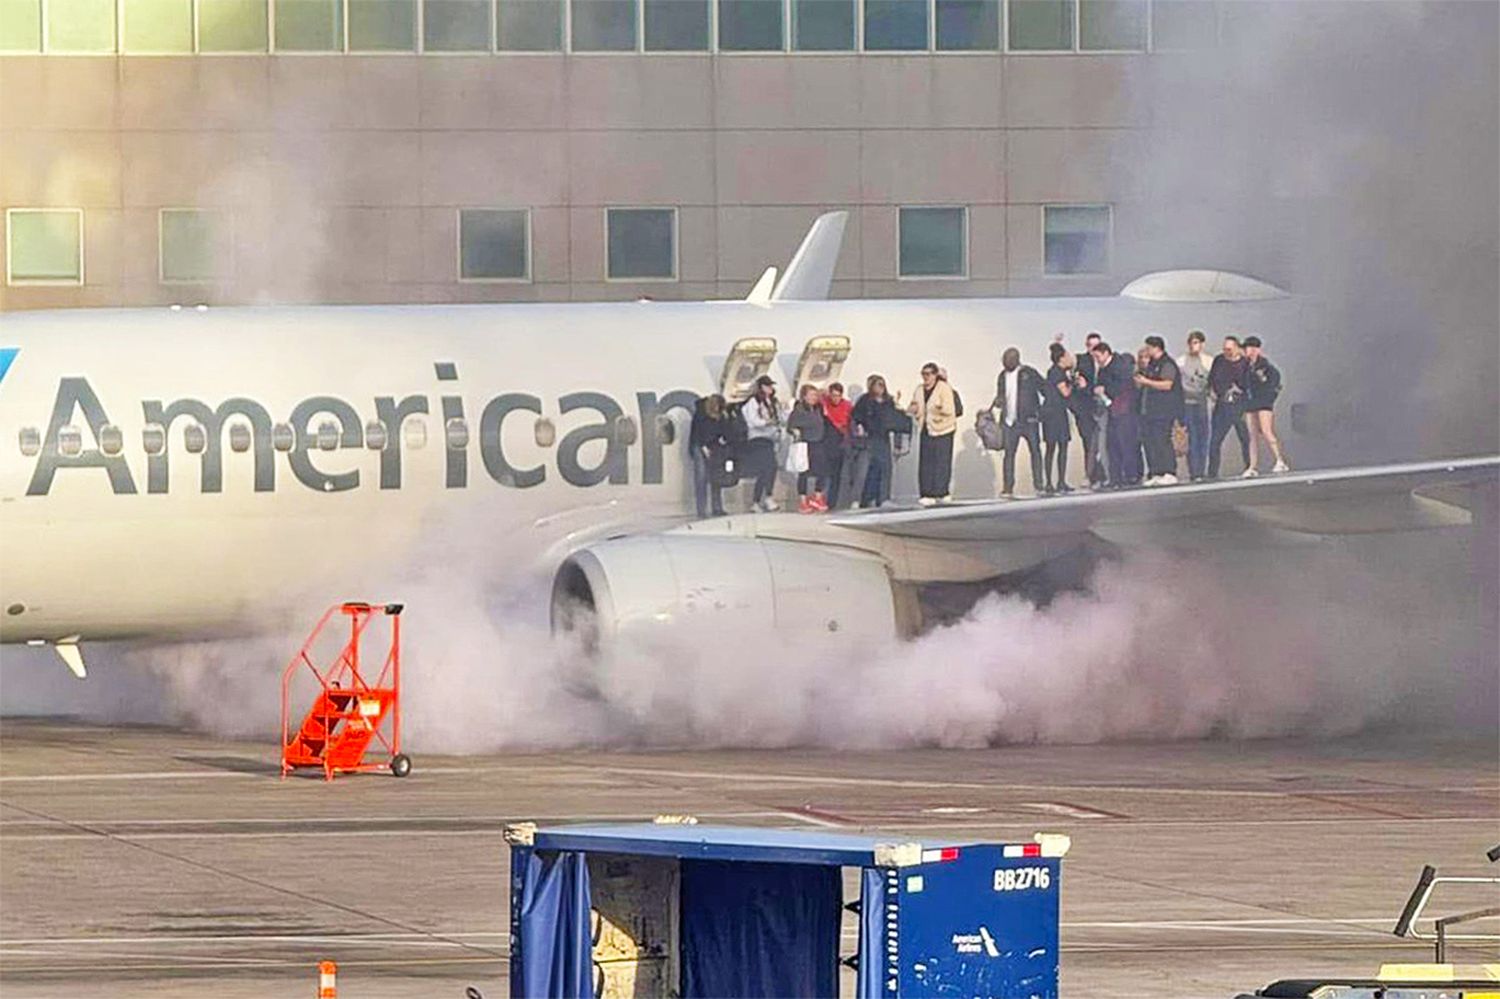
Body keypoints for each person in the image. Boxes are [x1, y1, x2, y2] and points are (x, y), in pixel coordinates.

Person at [988, 346, 1045, 498]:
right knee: (1009, 454)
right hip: (1009, 421)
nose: (1005, 363)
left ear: (1016, 359)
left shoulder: (1029, 373)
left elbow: (1045, 389)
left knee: (1035, 452)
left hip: (1028, 420)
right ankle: (1008, 487)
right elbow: (1001, 394)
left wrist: (1039, 413)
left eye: (1008, 360)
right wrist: (999, 401)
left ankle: (1039, 485)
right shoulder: (1002, 376)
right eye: (1004, 361)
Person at [1135, 335, 1183, 486]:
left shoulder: (1167, 364)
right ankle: (1156, 472)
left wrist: (1146, 381)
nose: (1147, 351)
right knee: (1151, 441)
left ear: (1157, 348)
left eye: (1149, 348)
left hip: (1163, 410)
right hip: (1149, 411)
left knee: (1163, 440)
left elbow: (1167, 384)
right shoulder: (1151, 365)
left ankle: (1170, 471)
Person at [1091, 340, 1141, 487]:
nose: (1097, 360)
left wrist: (1105, 390)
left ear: (1106, 353)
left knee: (1126, 444)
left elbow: (1121, 387)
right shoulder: (1102, 370)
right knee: (1112, 445)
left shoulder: (1121, 366)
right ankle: (1115, 478)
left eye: (1098, 356)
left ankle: (1131, 476)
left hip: (1124, 411)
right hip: (1111, 412)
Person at [907, 362, 958, 506]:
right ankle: (926, 492)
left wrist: (936, 409)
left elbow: (949, 409)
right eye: (923, 374)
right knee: (926, 462)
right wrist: (912, 409)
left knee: (942, 462)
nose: (925, 377)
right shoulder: (919, 389)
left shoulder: (944, 388)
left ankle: (941, 491)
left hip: (943, 428)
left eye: (928, 374)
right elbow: (916, 406)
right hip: (926, 428)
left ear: (935, 375)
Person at [851, 374, 903, 508]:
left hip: (883, 439)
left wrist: (898, 444)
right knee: (863, 471)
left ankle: (884, 498)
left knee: (885, 470)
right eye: (877, 385)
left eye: (882, 385)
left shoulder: (888, 402)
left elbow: (896, 421)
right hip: (868, 439)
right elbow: (856, 417)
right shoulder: (865, 401)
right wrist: (859, 429)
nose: (880, 388)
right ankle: (858, 499)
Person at [1242, 335, 1290, 476]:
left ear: (1258, 349)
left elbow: (1275, 383)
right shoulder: (1245, 367)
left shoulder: (1266, 367)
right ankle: (1252, 466)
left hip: (1264, 402)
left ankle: (1280, 460)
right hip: (1251, 403)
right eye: (1247, 348)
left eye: (1252, 348)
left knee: (1266, 430)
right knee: (1251, 435)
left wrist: (1269, 398)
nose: (1249, 351)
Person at [1207, 335, 1251, 479]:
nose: (1227, 352)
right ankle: (1212, 474)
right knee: (1215, 441)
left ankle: (1250, 467)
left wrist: (1240, 391)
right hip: (1222, 406)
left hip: (1240, 406)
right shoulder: (1219, 360)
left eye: (1230, 349)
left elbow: (1249, 384)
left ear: (1238, 348)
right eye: (1225, 349)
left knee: (1245, 439)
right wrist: (1215, 393)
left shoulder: (1245, 363)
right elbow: (1212, 380)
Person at [740, 374, 784, 511]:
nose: (770, 388)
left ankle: (761, 499)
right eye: (767, 386)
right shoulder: (753, 402)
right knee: (768, 467)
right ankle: (762, 498)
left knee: (768, 469)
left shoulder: (772, 402)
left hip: (770, 438)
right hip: (758, 439)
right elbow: (752, 421)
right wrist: (766, 422)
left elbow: (779, 417)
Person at [688, 393, 732, 518]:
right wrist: (703, 447)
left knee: (716, 476)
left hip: (714, 447)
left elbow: (724, 432)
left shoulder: (721, 416)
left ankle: (717, 507)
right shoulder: (701, 415)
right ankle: (701, 510)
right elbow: (697, 433)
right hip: (699, 445)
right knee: (701, 477)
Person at [787, 384, 828, 512]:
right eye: (811, 395)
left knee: (822, 470)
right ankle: (803, 501)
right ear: (804, 396)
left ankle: (817, 496)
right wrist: (796, 432)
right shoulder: (799, 411)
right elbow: (791, 426)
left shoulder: (817, 409)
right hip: (805, 443)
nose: (814, 398)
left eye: (815, 395)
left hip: (818, 442)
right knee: (804, 472)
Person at [1072, 332, 1106, 488]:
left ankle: (1104, 475)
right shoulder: (1082, 361)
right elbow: (1080, 385)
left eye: (1096, 346)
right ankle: (1092, 475)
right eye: (1091, 346)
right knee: (1089, 443)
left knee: (1104, 443)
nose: (1094, 350)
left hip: (1104, 408)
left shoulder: (1107, 362)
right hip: (1086, 409)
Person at [1041, 343, 1075, 494]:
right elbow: (1065, 393)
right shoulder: (1058, 373)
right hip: (1056, 414)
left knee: (1052, 448)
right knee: (1058, 447)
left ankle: (1053, 481)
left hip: (1052, 414)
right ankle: (1055, 481)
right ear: (1061, 359)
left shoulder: (1052, 371)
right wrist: (1073, 383)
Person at [1178, 330, 1212, 481]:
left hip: (1202, 402)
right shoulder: (1181, 361)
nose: (1193, 346)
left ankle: (1202, 469)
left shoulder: (1208, 361)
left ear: (1202, 344)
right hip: (1187, 403)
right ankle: (1194, 471)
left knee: (1203, 436)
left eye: (1196, 343)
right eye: (1191, 343)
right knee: (1191, 436)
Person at [821, 382, 853, 508]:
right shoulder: (825, 403)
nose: (835, 399)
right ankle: (821, 499)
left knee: (836, 475)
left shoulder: (847, 406)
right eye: (833, 396)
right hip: (827, 442)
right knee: (825, 473)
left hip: (841, 441)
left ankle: (831, 502)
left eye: (838, 396)